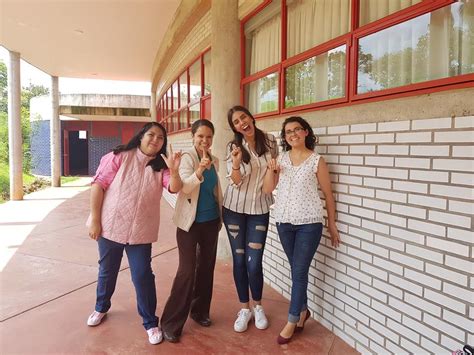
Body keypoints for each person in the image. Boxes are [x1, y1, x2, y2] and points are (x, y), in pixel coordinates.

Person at [86, 122, 182, 345]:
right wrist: (96, 220)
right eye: (151, 135)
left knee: (142, 275)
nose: (155, 140)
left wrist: (175, 172)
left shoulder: (161, 167)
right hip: (110, 227)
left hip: (141, 232)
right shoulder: (119, 156)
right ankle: (101, 308)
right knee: (107, 271)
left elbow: (175, 188)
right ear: (141, 136)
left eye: (160, 138)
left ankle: (150, 322)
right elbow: (98, 185)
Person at [263, 116, 340, 344]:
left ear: (306, 132)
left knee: (298, 272)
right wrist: (271, 170)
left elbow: (328, 194)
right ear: (285, 137)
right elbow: (268, 189)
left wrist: (332, 225)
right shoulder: (281, 160)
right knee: (297, 271)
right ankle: (304, 310)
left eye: (298, 129)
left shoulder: (317, 161)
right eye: (288, 131)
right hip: (283, 222)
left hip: (309, 223)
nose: (293, 134)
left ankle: (292, 318)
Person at [160, 119, 223, 343]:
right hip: (189, 224)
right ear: (193, 137)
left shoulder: (214, 160)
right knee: (187, 271)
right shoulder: (186, 158)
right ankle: (170, 323)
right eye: (200, 136)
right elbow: (184, 188)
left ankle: (200, 312)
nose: (204, 141)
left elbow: (215, 190)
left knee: (206, 268)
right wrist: (199, 169)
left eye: (208, 137)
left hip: (211, 221)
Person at [222, 105, 278, 333]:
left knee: (254, 263)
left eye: (243, 117)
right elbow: (235, 181)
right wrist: (235, 163)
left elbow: (271, 181)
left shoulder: (271, 141)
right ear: (234, 127)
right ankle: (244, 309)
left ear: (251, 117)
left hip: (259, 210)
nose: (241, 123)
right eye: (236, 122)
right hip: (234, 209)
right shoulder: (234, 146)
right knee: (239, 260)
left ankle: (258, 306)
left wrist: (273, 174)